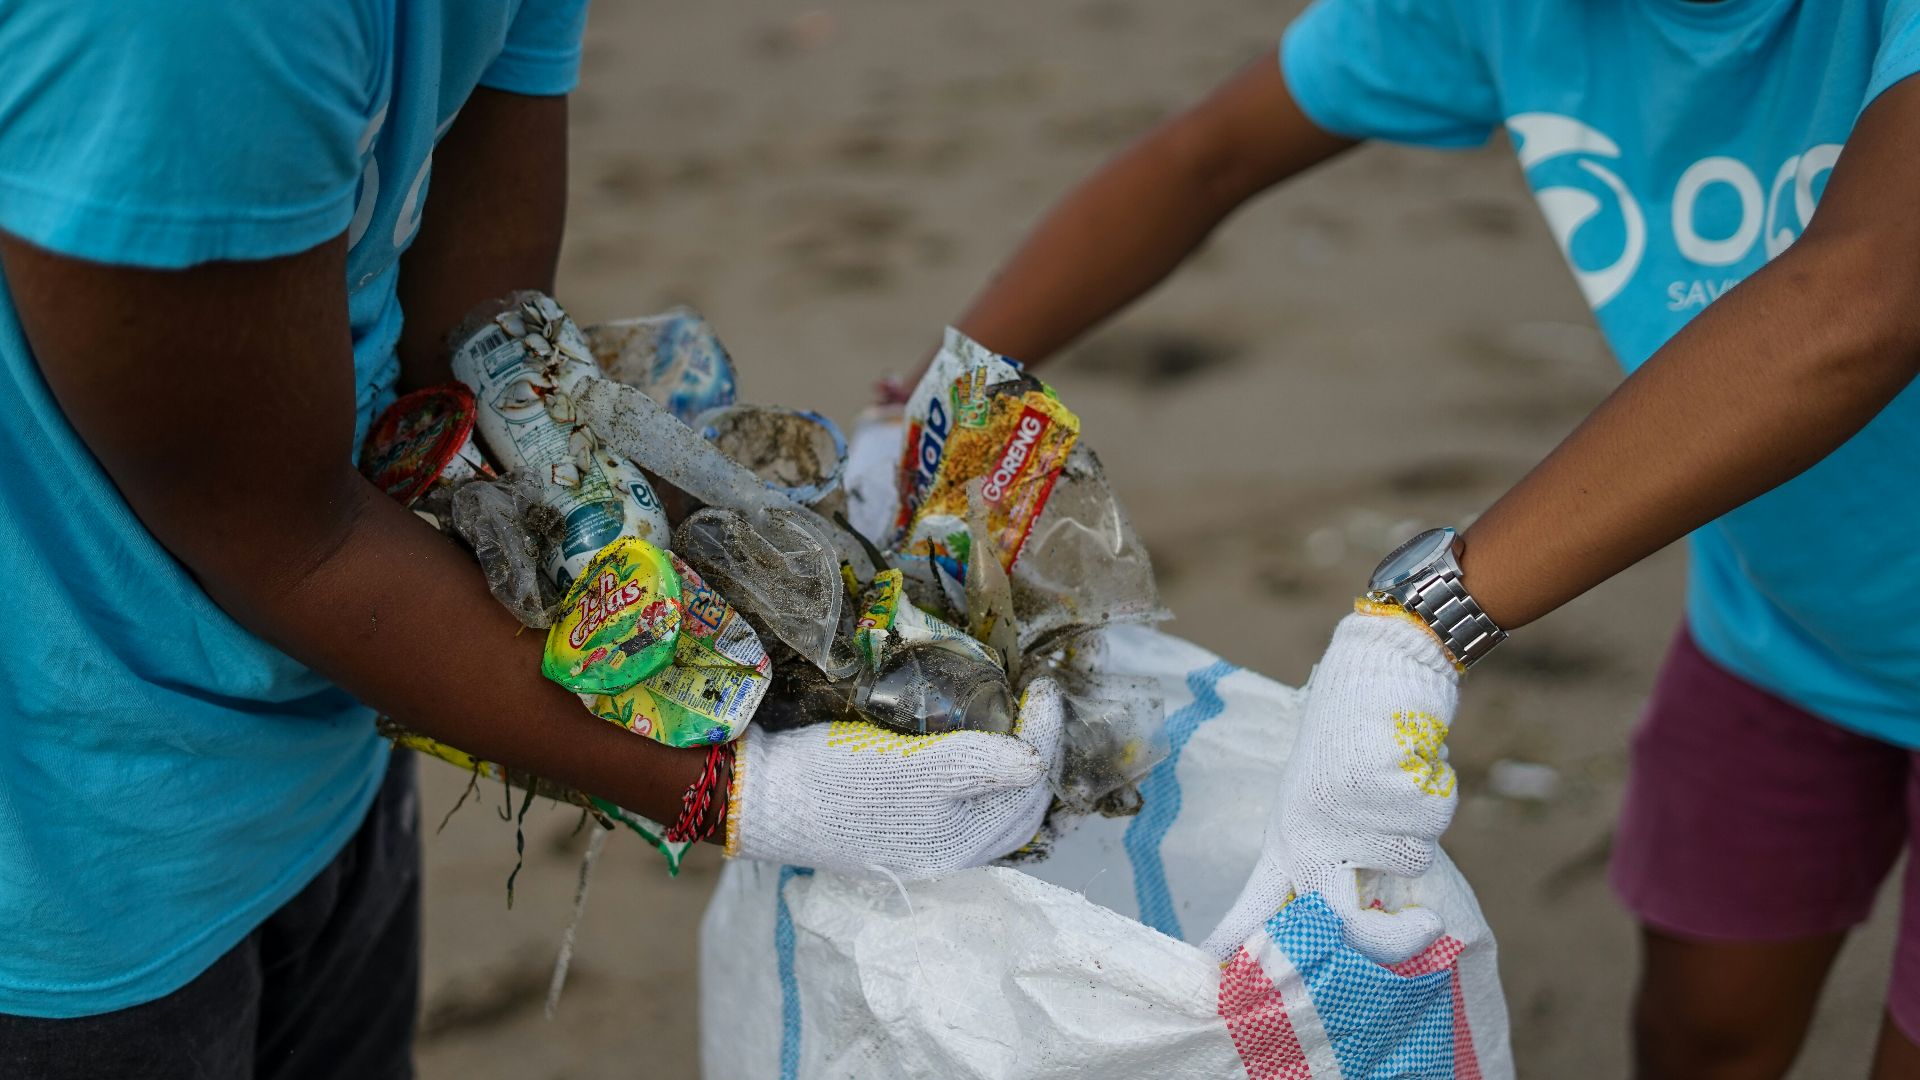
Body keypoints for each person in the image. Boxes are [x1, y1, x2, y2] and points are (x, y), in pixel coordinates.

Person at [0, 4, 1060, 1076]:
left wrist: (810, 588)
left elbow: (478, 345)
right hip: (64, 842)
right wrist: (749, 791)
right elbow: (285, 537)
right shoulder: (192, 29)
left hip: (326, 727)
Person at [929, 1, 1920, 1076]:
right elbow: (1205, 156)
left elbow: (1866, 292)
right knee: (1700, 1026)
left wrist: (1416, 627)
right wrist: (939, 400)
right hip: (1777, 625)